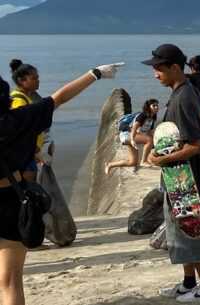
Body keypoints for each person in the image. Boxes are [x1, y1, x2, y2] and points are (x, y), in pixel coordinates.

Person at [0, 63, 121, 305]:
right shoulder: (23, 118)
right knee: (11, 280)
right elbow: (60, 97)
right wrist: (94, 74)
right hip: (12, 202)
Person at [143, 44, 200, 303]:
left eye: (159, 69)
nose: (155, 74)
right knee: (181, 234)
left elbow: (194, 145)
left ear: (175, 67)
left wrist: (159, 159)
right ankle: (189, 283)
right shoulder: (181, 93)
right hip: (179, 180)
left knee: (192, 231)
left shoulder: (185, 97)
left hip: (190, 181)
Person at [8, 59, 45, 182]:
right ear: (21, 80)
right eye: (34, 78)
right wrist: (33, 152)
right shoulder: (19, 101)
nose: (38, 81)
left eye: (37, 77)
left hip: (29, 155)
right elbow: (18, 135)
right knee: (28, 190)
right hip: (26, 159)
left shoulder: (26, 97)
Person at [105, 99, 160, 174]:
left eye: (157, 105)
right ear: (148, 107)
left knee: (132, 162)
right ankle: (144, 161)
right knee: (149, 140)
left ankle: (110, 164)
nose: (156, 107)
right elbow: (134, 127)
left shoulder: (152, 117)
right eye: (154, 105)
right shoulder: (143, 115)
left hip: (132, 136)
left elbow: (149, 131)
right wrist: (132, 140)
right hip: (127, 135)